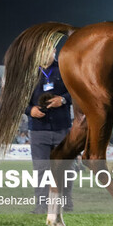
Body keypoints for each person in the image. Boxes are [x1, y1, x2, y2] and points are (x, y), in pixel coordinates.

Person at [25, 49, 73, 213]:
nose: (46, 52)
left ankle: (66, 205)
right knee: (41, 169)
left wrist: (64, 99)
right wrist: (30, 110)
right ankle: (42, 206)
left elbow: (76, 91)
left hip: (62, 127)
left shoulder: (65, 68)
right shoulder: (29, 73)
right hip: (39, 130)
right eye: (42, 49)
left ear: (54, 51)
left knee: (65, 168)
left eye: (50, 49)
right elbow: (19, 100)